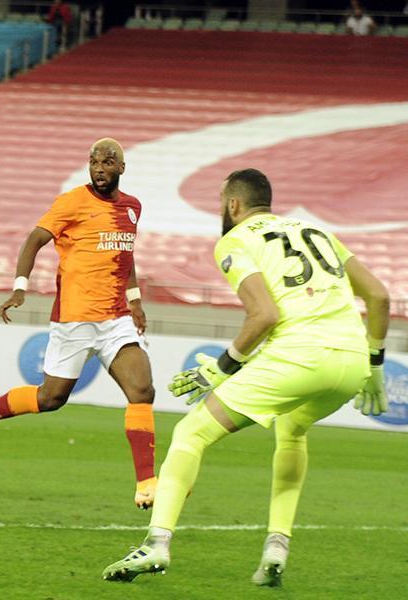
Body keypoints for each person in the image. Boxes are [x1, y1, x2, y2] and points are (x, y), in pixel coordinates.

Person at [102, 169, 389, 586]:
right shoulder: (317, 231)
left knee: (190, 433)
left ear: (233, 204)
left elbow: (265, 314)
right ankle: (276, 548)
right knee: (292, 429)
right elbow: (378, 295)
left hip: (300, 356)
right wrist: (375, 366)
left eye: (222, 201)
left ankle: (157, 543)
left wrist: (223, 367)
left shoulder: (235, 240)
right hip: (351, 363)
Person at [0, 138, 158, 509]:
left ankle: (146, 484)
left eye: (108, 162)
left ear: (122, 168)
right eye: (94, 162)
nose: (100, 168)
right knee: (50, 398)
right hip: (75, 319)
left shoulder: (132, 207)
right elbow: (34, 240)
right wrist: (19, 288)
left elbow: (125, 256)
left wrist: (136, 300)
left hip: (116, 319)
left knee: (142, 390)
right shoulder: (72, 202)